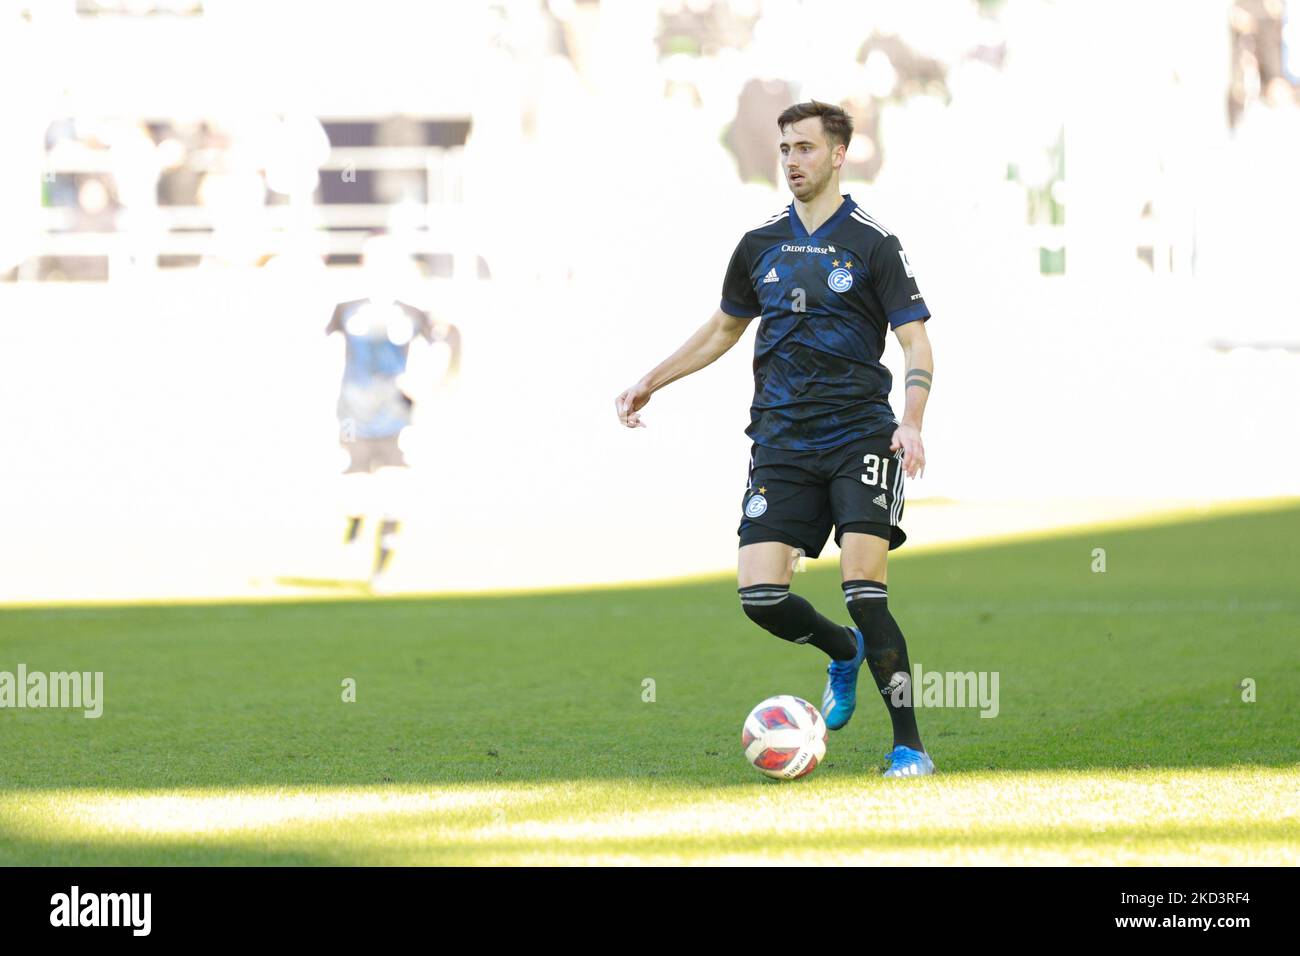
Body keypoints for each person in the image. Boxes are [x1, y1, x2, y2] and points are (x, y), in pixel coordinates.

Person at [614, 100, 936, 778]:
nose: (792, 160)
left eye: (806, 148)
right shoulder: (758, 246)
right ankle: (841, 651)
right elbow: (722, 330)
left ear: (839, 155)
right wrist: (652, 379)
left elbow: (916, 342)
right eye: (785, 148)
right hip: (783, 443)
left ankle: (908, 744)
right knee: (760, 598)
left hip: (861, 439)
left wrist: (910, 420)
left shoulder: (874, 244)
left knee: (865, 588)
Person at [328, 236, 461, 589]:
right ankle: (355, 523)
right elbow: (325, 349)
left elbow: (445, 343)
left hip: (396, 414)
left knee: (395, 493)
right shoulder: (346, 307)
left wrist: (424, 381)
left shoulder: (413, 311)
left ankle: (381, 573)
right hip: (354, 412)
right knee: (353, 494)